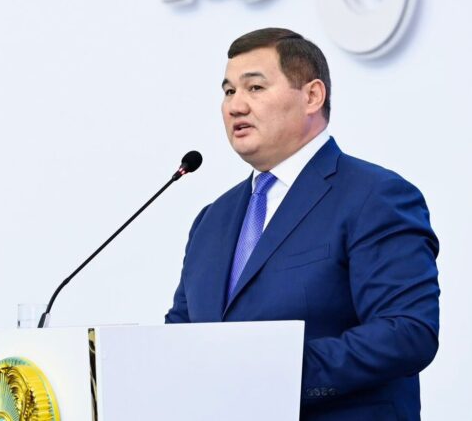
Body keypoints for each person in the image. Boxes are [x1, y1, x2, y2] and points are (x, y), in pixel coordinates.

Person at [165, 28, 440, 420]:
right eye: (228, 91)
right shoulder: (211, 220)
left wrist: (275, 373)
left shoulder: (374, 196)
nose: (235, 106)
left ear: (312, 96)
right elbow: (180, 339)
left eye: (255, 88)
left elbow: (407, 332)